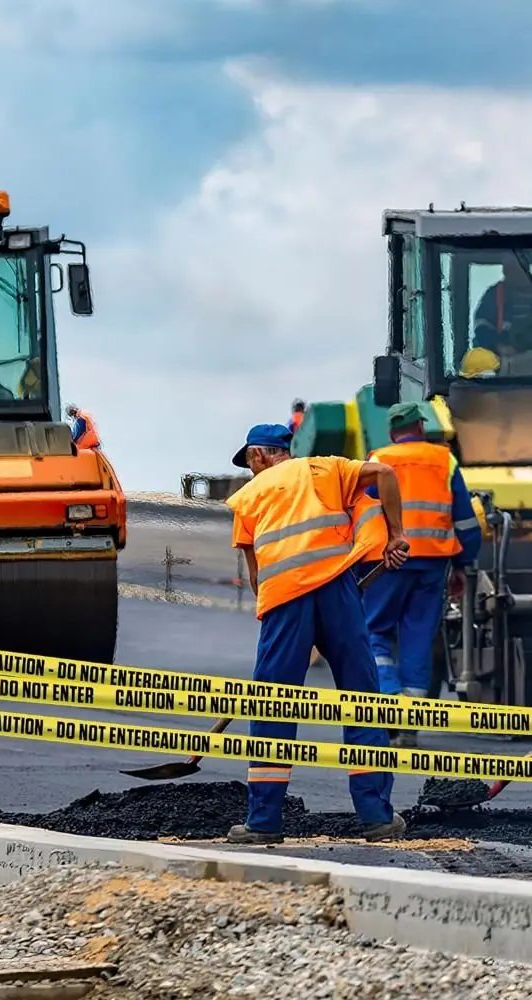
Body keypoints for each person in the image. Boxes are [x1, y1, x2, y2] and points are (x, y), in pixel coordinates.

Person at [223, 422, 409, 845]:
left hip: (285, 601)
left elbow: (256, 578)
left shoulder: (249, 497)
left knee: (273, 705)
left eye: (250, 462)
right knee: (361, 698)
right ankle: (377, 817)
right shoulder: (324, 469)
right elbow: (385, 474)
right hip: (338, 591)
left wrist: (288, 624)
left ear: (257, 456)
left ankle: (264, 822)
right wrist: (396, 535)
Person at [358, 402, 482, 748]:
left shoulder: (378, 459)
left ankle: (388, 703)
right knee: (418, 640)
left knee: (374, 631)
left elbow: (363, 511)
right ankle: (410, 724)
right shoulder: (445, 460)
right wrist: (462, 565)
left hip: (387, 562)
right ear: (421, 428)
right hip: (432, 564)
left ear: (392, 432)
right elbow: (466, 522)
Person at [473, 255, 532, 357]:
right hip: (503, 362)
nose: (505, 272)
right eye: (505, 267)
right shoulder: (494, 293)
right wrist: (498, 346)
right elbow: (481, 324)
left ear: (524, 266)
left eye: (512, 267)